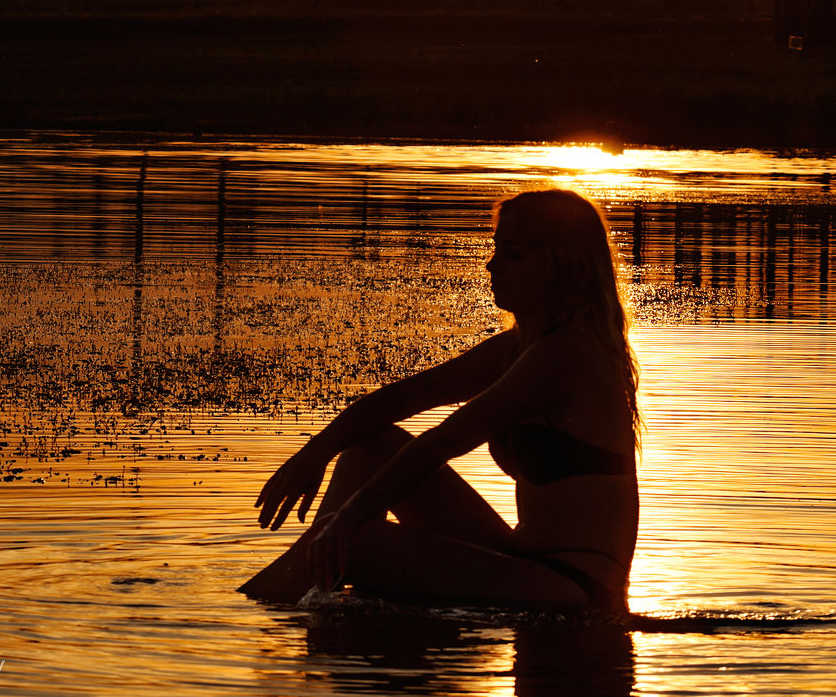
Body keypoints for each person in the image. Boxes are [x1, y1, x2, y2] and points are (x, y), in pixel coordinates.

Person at [238, 189, 640, 611]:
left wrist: (346, 520)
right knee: (370, 448)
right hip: (523, 560)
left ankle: (268, 603)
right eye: (496, 250)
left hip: (574, 589)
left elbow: (443, 441)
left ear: (561, 267)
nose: (492, 265)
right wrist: (315, 452)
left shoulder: (568, 354)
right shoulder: (517, 348)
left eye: (513, 255)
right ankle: (288, 594)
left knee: (356, 542)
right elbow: (402, 398)